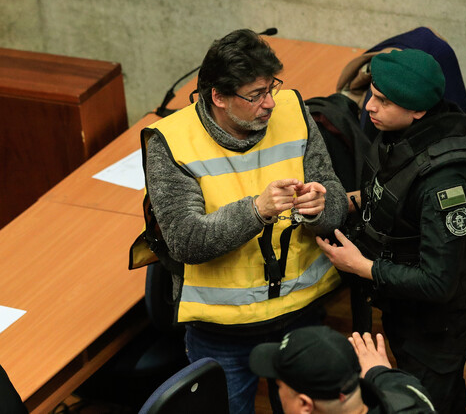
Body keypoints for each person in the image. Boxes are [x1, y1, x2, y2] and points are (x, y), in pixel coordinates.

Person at [129, 29, 347, 413]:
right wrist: (256, 211)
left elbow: (333, 203)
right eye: (255, 95)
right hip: (222, 332)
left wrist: (320, 207)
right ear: (219, 97)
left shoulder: (293, 111)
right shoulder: (171, 142)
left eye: (271, 89)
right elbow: (185, 241)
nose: (269, 104)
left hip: (302, 315)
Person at [316, 49, 466, 413]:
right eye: (372, 94)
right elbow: (398, 193)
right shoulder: (403, 132)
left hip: (436, 327)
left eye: (383, 101)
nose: (369, 108)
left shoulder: (446, 180)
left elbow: (439, 283)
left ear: (418, 110)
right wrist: (350, 200)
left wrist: (360, 266)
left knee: (425, 403)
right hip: (403, 306)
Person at [249, 325, 436, 413]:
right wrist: (379, 372)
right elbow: (398, 384)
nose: (278, 391)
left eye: (279, 385)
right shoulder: (410, 394)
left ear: (305, 405)